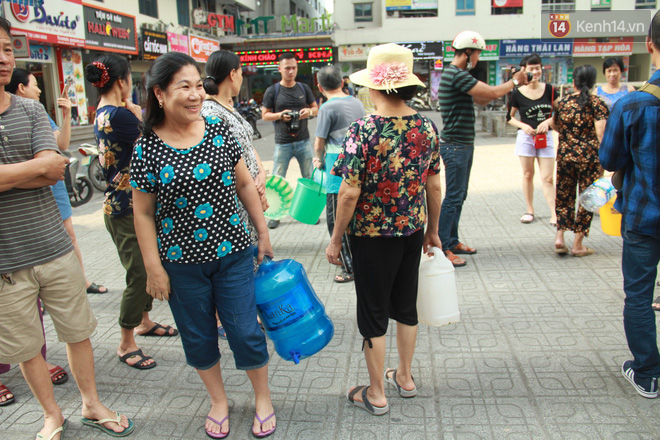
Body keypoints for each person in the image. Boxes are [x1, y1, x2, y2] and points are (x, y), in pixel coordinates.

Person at [0, 16, 134, 439]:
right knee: (25, 347)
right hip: (6, 261)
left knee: (78, 332)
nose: (3, 58)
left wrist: (26, 170)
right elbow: (42, 166)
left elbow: (55, 168)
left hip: (55, 248)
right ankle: (51, 414)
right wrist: (35, 168)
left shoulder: (30, 108)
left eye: (6, 48)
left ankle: (91, 404)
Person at [131, 52, 277, 439]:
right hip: (180, 264)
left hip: (233, 253)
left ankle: (263, 397)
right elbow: (143, 214)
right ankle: (218, 401)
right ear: (159, 94)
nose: (196, 95)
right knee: (198, 336)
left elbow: (245, 184)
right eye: (185, 87)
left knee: (245, 331)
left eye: (199, 85)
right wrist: (153, 267)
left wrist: (262, 232)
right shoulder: (146, 148)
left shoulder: (217, 131)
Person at [326, 43, 443, 416]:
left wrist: (334, 238)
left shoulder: (364, 129)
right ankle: (405, 378)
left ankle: (376, 393)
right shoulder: (426, 127)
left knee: (373, 312)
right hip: (411, 229)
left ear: (375, 89)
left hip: (371, 236)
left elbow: (348, 193)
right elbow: (435, 186)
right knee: (406, 305)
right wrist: (433, 231)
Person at [85, 54, 178, 371]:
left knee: (144, 266)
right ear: (123, 81)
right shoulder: (120, 116)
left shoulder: (101, 112)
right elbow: (155, 144)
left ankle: (145, 321)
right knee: (140, 273)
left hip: (123, 205)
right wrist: (140, 113)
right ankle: (126, 341)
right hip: (126, 209)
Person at [600, 10, 660, 399]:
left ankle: (648, 372)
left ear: (650, 46)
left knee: (639, 295)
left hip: (644, 215)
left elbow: (609, 160)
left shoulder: (634, 104)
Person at [7, 68, 108, 294]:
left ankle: (81, 281)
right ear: (21, 88)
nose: (39, 89)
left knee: (69, 234)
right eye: (35, 84)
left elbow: (59, 149)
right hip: (21, 203)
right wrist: (40, 168)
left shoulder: (37, 111)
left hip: (53, 189)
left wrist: (65, 115)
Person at [438, 30, 528, 267]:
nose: (478, 58)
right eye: (477, 53)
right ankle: (443, 246)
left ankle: (452, 240)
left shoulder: (460, 76)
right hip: (455, 146)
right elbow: (491, 93)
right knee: (454, 197)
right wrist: (515, 81)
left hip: (462, 145)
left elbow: (483, 98)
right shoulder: (456, 74)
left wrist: (505, 88)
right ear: (467, 52)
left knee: (460, 195)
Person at [200, 49, 269, 339]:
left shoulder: (229, 107)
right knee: (235, 260)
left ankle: (245, 311)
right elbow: (219, 164)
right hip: (233, 202)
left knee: (252, 254)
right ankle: (223, 319)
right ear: (233, 74)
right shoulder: (209, 112)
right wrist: (250, 189)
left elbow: (247, 149)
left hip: (249, 195)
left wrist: (261, 175)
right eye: (241, 72)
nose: (241, 77)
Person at [313, 65, 365, 283]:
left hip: (337, 170)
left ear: (319, 86)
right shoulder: (357, 102)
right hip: (360, 168)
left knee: (336, 221)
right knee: (355, 219)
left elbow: (319, 143)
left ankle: (349, 267)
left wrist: (318, 160)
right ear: (342, 83)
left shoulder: (326, 108)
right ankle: (360, 262)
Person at [553, 65, 608, 256]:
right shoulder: (597, 103)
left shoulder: (562, 103)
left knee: (564, 196)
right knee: (587, 199)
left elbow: (555, 125)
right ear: (592, 82)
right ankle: (578, 245)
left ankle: (560, 237)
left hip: (566, 156)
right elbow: (601, 133)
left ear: (574, 81)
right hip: (590, 158)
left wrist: (570, 138)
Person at [261, 52, 319, 229]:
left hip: (303, 141)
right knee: (277, 180)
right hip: (282, 142)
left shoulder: (303, 88)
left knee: (310, 178)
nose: (291, 71)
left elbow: (316, 108)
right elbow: (264, 115)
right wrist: (280, 115)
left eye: (294, 67)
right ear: (280, 69)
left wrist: (308, 112)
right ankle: (275, 215)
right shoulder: (273, 91)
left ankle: (310, 212)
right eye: (287, 68)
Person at [507, 54, 558, 226]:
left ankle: (554, 213)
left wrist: (549, 121)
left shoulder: (550, 90)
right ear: (524, 71)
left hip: (546, 137)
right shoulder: (517, 93)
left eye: (537, 68)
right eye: (531, 68)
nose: (535, 71)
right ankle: (530, 210)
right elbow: (509, 117)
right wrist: (523, 126)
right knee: (528, 174)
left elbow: (560, 111)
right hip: (526, 138)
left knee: (548, 177)